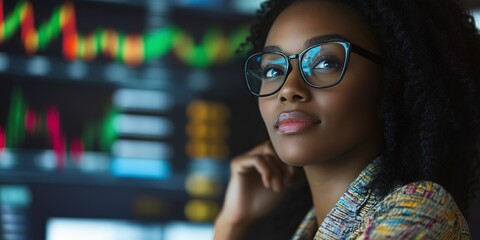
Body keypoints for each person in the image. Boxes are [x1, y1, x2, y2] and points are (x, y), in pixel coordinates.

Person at [214, 0, 480, 239]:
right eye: (273, 69)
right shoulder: (310, 229)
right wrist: (232, 223)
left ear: (392, 80)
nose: (288, 88)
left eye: (325, 63)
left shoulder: (420, 213)